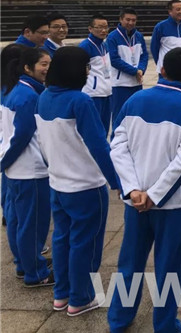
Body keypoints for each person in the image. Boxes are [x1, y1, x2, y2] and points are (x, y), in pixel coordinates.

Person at [108, 48, 181, 333]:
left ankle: (118, 320)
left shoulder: (135, 100)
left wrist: (133, 190)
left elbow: (117, 146)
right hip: (172, 205)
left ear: (161, 70)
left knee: (130, 263)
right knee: (170, 268)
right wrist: (155, 195)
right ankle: (165, 326)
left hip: (136, 203)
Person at [35, 46, 120, 317]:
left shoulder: (44, 97)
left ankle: (61, 295)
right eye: (86, 67)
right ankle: (80, 298)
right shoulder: (80, 101)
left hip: (58, 183)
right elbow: (99, 145)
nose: (87, 72)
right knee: (86, 243)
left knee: (62, 240)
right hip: (85, 185)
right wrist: (118, 182)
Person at [1, 48, 53, 287]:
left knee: (18, 220)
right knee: (32, 224)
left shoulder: (16, 90)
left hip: (18, 170)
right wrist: (4, 161)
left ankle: (25, 264)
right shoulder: (29, 96)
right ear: (27, 68)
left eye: (50, 63)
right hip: (30, 169)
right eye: (43, 64)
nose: (48, 68)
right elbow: (21, 136)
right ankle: (35, 272)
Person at [1, 44, 28, 228]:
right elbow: (22, 132)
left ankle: (8, 213)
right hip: (13, 150)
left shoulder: (7, 86)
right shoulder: (18, 91)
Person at [106, 8, 148, 126]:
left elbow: (144, 55)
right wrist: (135, 71)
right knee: (119, 115)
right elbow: (114, 60)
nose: (130, 23)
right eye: (127, 20)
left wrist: (141, 70)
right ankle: (116, 137)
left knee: (136, 113)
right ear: (121, 19)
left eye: (133, 20)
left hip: (136, 83)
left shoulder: (138, 36)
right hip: (120, 84)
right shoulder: (112, 37)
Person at [79, 14, 112, 134]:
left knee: (105, 127)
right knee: (94, 127)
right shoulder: (85, 46)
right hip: (93, 94)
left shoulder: (104, 44)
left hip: (107, 92)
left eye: (105, 27)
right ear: (90, 29)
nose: (103, 30)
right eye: (99, 27)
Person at [151, 0, 181, 73]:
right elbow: (154, 48)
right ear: (170, 11)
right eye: (178, 9)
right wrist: (160, 64)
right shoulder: (160, 27)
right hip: (166, 70)